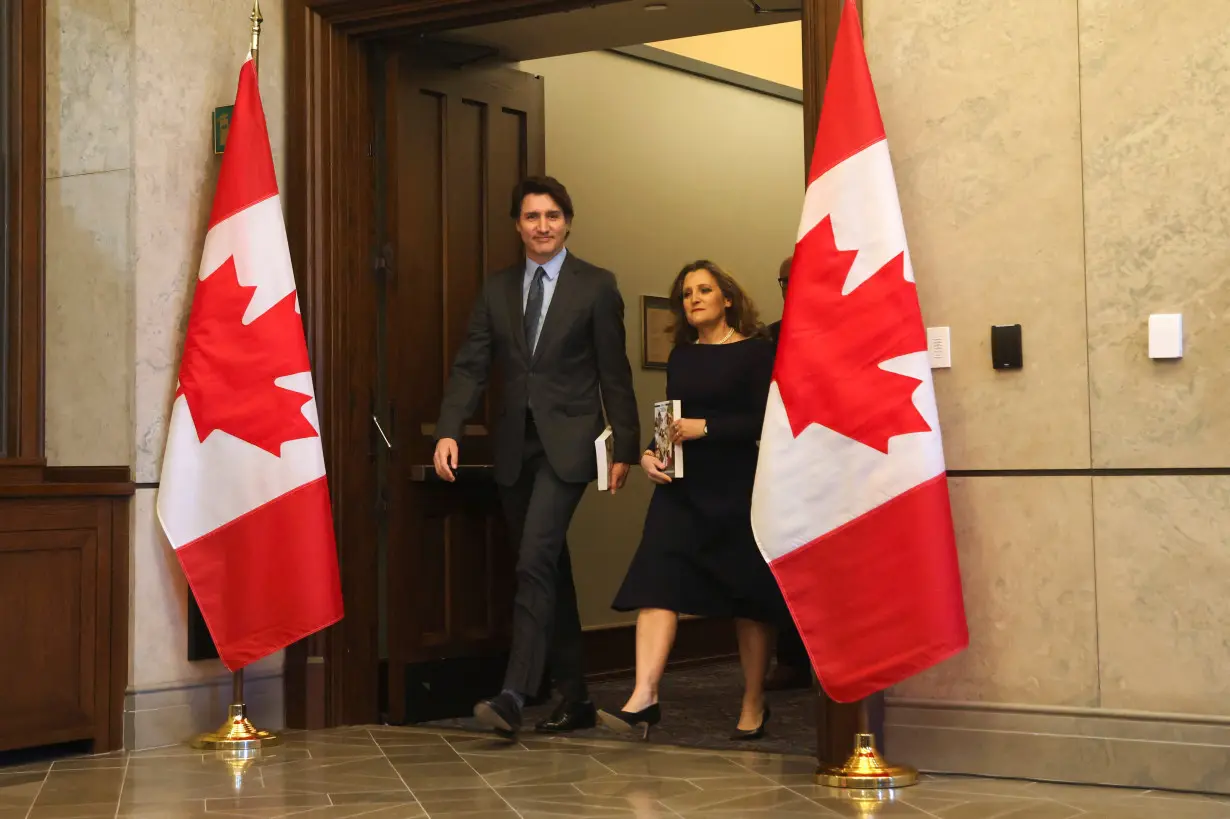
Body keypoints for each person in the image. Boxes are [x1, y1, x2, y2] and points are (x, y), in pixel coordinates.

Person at [432, 176, 640, 738]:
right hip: (512, 449)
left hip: (569, 446)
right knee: (548, 566)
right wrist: (450, 428)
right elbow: (472, 364)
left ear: (567, 221)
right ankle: (575, 697)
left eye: (551, 216)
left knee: (531, 561)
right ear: (517, 225)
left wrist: (626, 444)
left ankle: (513, 695)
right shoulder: (497, 289)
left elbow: (613, 372)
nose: (542, 226)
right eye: (531, 217)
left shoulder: (596, 286)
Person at [599, 260, 788, 741]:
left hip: (738, 488)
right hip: (681, 490)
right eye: (686, 294)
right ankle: (644, 698)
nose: (694, 299)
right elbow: (670, 419)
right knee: (656, 581)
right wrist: (649, 455)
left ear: (728, 297)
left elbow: (769, 423)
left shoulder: (758, 352)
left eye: (704, 290)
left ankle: (753, 702)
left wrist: (709, 428)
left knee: (749, 598)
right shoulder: (682, 356)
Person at [764, 255, 813, 692]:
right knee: (785, 563)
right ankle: (792, 661)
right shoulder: (769, 340)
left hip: (833, 462)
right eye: (783, 280)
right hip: (783, 463)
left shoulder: (842, 328)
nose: (788, 286)